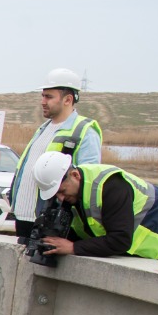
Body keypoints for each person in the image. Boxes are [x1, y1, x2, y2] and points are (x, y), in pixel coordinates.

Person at [31, 151, 158, 265]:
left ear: (75, 176)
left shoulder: (110, 186)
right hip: (149, 236)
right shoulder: (75, 192)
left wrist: (73, 247)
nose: (61, 198)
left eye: (62, 191)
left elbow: (120, 240)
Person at [8, 67, 103, 243]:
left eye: (49, 97)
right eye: (43, 96)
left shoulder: (85, 132)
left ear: (68, 99)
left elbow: (88, 183)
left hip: (52, 222)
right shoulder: (43, 129)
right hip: (24, 218)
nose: (43, 101)